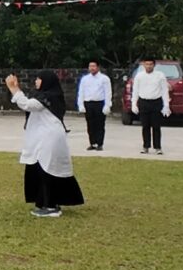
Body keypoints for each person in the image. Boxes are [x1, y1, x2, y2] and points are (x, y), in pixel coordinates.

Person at [6, 72, 83, 217]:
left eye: (38, 79)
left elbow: (27, 105)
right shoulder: (44, 95)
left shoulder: (49, 97)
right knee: (41, 170)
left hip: (49, 138)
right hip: (44, 137)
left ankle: (51, 205)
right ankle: (44, 202)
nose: (36, 81)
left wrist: (14, 89)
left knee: (47, 171)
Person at [129, 59, 169, 153]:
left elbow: (164, 90)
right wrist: (134, 104)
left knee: (156, 126)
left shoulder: (160, 75)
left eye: (151, 64)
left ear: (154, 65)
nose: (149, 66)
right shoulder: (139, 76)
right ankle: (146, 146)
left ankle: (157, 147)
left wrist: (166, 105)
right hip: (144, 102)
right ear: (143, 65)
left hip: (156, 102)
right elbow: (135, 91)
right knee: (145, 126)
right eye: (147, 64)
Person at [75, 62, 112, 152]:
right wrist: (81, 104)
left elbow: (108, 92)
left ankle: (100, 143)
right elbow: (81, 92)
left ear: (98, 67)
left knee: (100, 124)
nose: (92, 68)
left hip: (99, 103)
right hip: (88, 103)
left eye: (94, 66)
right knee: (90, 124)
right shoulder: (85, 79)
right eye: (90, 66)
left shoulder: (104, 79)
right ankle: (92, 143)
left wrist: (107, 105)